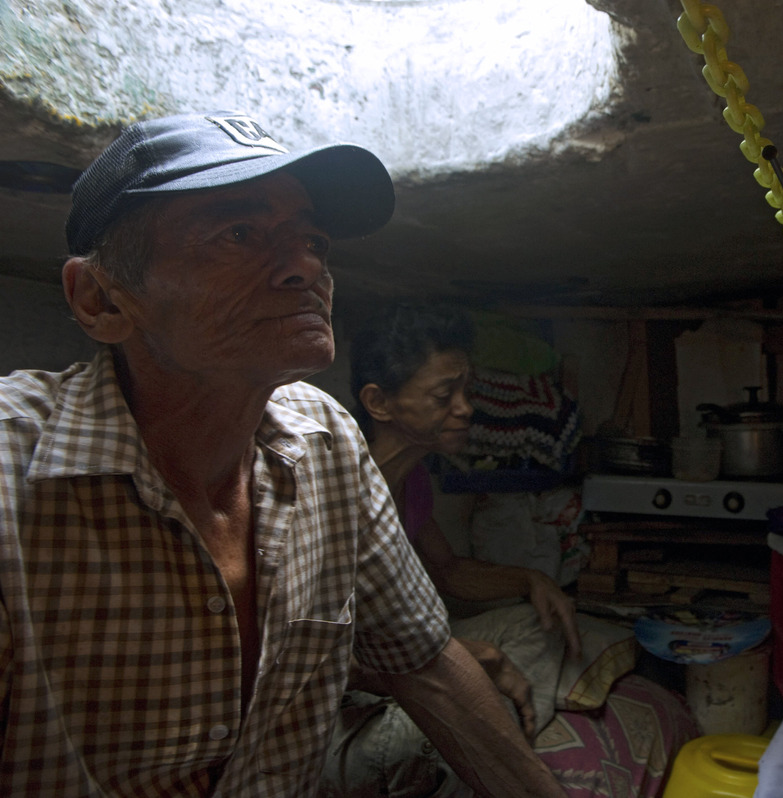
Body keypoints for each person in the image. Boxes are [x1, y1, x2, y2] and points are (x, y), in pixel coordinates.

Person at [0, 111, 565, 798]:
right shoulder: (12, 470)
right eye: (239, 234)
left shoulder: (328, 445)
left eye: (314, 240)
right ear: (100, 299)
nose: (307, 267)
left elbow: (424, 662)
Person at [320, 303, 582, 797]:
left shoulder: (412, 480)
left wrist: (531, 581)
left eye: (467, 392)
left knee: (536, 625)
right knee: (459, 713)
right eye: (445, 394)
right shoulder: (337, 495)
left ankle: (501, 732)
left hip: (401, 671)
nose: (465, 408)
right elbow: (326, 662)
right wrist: (465, 661)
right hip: (338, 710)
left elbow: (447, 569)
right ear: (379, 403)